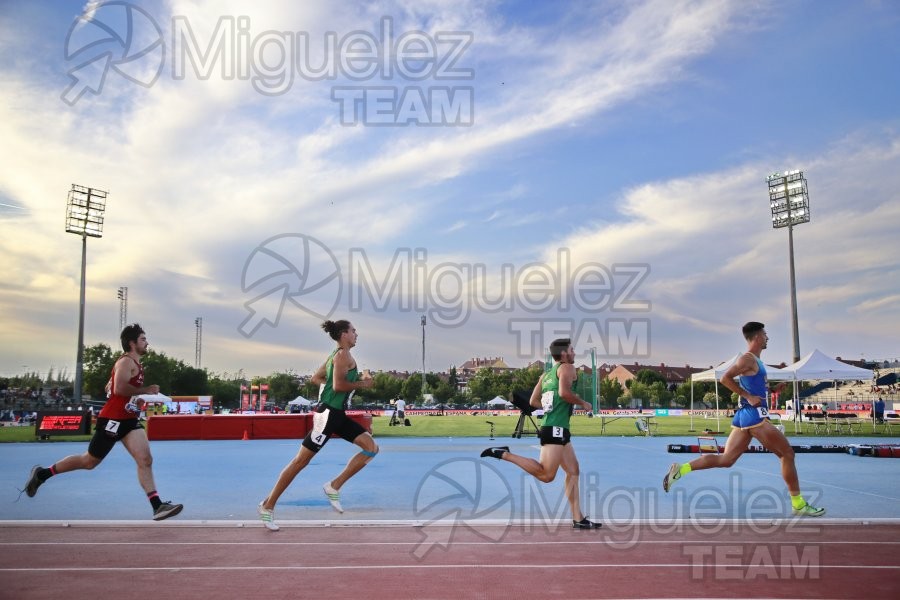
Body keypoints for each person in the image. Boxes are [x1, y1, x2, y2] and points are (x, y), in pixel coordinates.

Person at [22, 324, 183, 521]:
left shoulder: (134, 364)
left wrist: (138, 398)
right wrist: (145, 390)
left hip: (129, 420)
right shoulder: (125, 362)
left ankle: (157, 506)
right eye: (143, 339)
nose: (147, 343)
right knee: (89, 462)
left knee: (145, 459)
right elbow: (119, 389)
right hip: (112, 420)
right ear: (132, 343)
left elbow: (113, 387)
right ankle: (42, 474)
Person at [663, 322, 825, 517]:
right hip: (753, 416)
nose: (767, 338)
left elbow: (754, 385)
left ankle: (682, 469)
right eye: (765, 334)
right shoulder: (747, 359)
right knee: (787, 454)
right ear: (757, 337)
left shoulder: (755, 361)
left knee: (726, 459)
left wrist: (772, 390)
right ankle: (798, 504)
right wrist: (747, 396)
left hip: (746, 417)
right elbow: (725, 378)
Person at [257, 320, 376, 531]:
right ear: (343, 334)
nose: (357, 334)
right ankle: (268, 505)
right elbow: (339, 385)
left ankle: (334, 485)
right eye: (353, 331)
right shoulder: (342, 356)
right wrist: (362, 384)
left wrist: (336, 384)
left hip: (337, 414)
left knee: (371, 448)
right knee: (300, 462)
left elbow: (316, 378)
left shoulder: (336, 355)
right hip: (328, 415)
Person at [480, 338, 601, 529]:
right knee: (546, 475)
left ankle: (578, 518)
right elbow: (563, 393)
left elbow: (534, 401)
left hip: (556, 427)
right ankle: (503, 453)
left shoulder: (545, 375)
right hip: (555, 428)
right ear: (563, 354)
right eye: (572, 350)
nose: (574, 353)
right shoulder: (567, 368)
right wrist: (583, 403)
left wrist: (551, 408)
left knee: (573, 470)